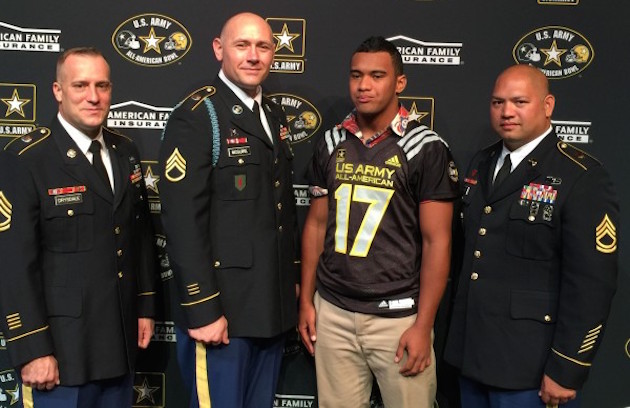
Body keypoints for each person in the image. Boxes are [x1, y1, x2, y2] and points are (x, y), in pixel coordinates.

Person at [444, 64, 619, 407]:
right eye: (497, 103)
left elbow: (592, 285)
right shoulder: (481, 162)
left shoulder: (581, 176)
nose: (507, 112)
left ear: (548, 105)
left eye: (519, 101)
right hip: (472, 357)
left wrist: (567, 367)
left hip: (531, 368)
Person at [298, 36, 460, 408]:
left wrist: (422, 326)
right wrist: (307, 300)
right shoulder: (330, 142)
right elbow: (316, 226)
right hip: (334, 312)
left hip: (398, 317)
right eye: (356, 75)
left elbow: (438, 243)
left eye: (376, 75)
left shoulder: (427, 148)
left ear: (399, 83)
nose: (364, 85)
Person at [0, 47, 157, 407]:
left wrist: (145, 307)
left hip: (119, 342)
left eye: (102, 86)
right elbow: (12, 264)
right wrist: (32, 348)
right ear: (58, 91)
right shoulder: (27, 159)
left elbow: (139, 236)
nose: (93, 96)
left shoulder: (125, 151)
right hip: (60, 352)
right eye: (81, 85)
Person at [158, 12, 299, 408]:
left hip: (270, 310)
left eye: (263, 46)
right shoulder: (198, 115)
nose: (254, 56)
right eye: (242, 45)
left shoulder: (273, 114)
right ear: (219, 49)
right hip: (222, 315)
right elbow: (183, 221)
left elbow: (281, 211)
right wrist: (202, 308)